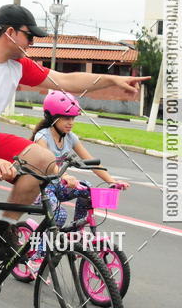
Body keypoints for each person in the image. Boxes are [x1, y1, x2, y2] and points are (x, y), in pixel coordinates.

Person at [0, 3, 148, 308]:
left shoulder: (16, 64)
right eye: (30, 36)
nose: (33, 43)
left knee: (44, 161)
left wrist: (112, 79)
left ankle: (6, 228)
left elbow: (65, 80)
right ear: (10, 33)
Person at [25, 90, 130, 277]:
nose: (71, 122)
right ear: (52, 117)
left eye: (73, 118)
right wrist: (64, 177)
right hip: (38, 187)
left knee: (87, 188)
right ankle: (37, 258)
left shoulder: (70, 138)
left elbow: (91, 162)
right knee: (59, 214)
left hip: (56, 185)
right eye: (66, 118)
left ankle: (76, 233)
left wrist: (112, 181)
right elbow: (46, 164)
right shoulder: (42, 136)